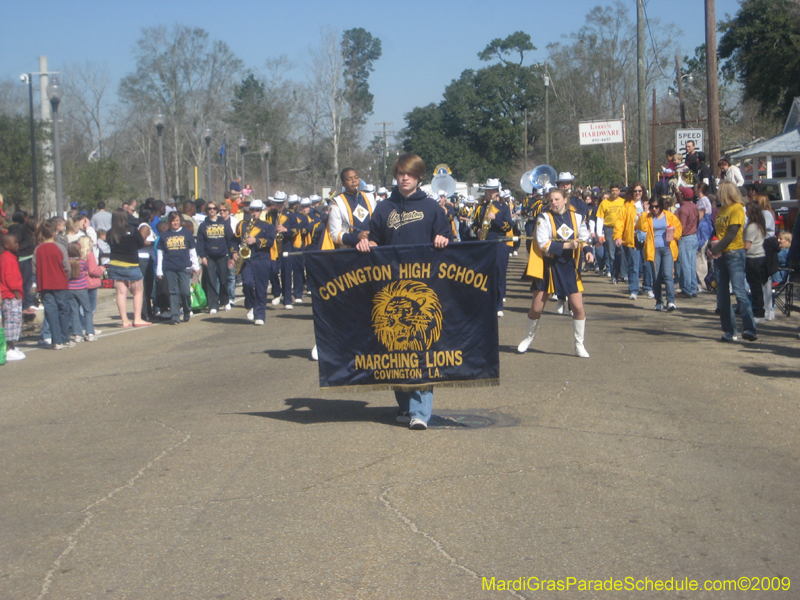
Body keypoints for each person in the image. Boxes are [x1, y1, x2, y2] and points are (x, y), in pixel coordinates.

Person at [356, 153, 451, 430]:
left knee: (422, 348)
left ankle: (421, 411)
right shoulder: (384, 208)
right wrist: (366, 244)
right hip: (390, 288)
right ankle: (405, 405)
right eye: (400, 173)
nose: (404, 177)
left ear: (419, 176)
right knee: (395, 350)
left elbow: (447, 239)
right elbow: (373, 239)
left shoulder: (433, 208)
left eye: (409, 173)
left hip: (424, 289)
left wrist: (443, 238)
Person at [518, 187, 595, 357]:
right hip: (548, 266)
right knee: (537, 308)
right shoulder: (544, 218)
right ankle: (528, 338)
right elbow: (542, 243)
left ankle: (579, 345)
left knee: (577, 307)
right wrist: (567, 245)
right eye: (551, 200)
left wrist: (588, 250)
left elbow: (584, 237)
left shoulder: (577, 217)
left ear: (565, 199)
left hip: (568, 266)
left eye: (557, 199)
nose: (553, 202)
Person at [707, 182, 758, 342]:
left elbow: (732, 234)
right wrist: (711, 246)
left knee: (739, 291)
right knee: (722, 294)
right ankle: (729, 330)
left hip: (734, 253)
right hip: (720, 254)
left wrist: (716, 249)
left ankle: (750, 329)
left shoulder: (737, 209)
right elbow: (717, 231)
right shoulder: (722, 210)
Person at [472, 178, 513, 316]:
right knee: (484, 273)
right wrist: (477, 230)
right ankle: (486, 302)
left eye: (493, 190)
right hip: (485, 243)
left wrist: (496, 218)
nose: (490, 193)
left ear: (497, 191)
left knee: (499, 273)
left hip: (500, 243)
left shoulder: (503, 207)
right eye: (488, 190)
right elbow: (474, 224)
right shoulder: (481, 208)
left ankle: (499, 304)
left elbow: (509, 226)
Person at [232, 199, 276, 326]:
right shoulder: (241, 225)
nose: (254, 212)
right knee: (247, 283)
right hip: (247, 260)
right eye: (252, 210)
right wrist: (234, 252)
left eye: (257, 210)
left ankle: (260, 315)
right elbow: (234, 241)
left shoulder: (267, 225)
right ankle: (250, 304)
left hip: (262, 259)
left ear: (261, 211)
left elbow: (270, 241)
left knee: (261, 288)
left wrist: (256, 241)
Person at [637, 196, 682, 312]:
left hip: (667, 248)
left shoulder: (669, 216)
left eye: (656, 206)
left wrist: (673, 232)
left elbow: (679, 230)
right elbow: (641, 227)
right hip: (654, 249)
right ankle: (659, 302)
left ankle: (670, 301)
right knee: (656, 276)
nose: (654, 209)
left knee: (668, 275)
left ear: (661, 206)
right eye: (652, 207)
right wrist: (645, 211)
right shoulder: (648, 217)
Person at [107, 208, 150, 328]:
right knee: (138, 291)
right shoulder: (132, 230)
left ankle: (125, 320)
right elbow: (140, 244)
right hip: (131, 263)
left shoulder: (110, 232)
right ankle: (137, 318)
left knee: (121, 293)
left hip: (115, 263)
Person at [156, 212, 201, 325]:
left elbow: (192, 251)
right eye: (172, 221)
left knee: (185, 291)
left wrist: (195, 266)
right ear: (169, 222)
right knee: (173, 292)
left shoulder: (186, 233)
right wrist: (159, 270)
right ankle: (175, 315)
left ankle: (186, 309)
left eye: (176, 220)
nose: (175, 223)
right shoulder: (165, 235)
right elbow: (160, 253)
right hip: (169, 267)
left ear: (180, 221)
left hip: (184, 266)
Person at [34, 221, 72, 349]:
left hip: (45, 284)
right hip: (60, 283)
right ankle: (65, 338)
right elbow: (67, 266)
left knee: (51, 312)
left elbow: (34, 268)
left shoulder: (37, 249)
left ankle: (56, 341)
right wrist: (66, 277)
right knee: (64, 310)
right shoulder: (59, 247)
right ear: (54, 233)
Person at [197, 200, 234, 313]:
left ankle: (225, 300)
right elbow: (200, 242)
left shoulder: (224, 224)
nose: (211, 210)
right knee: (211, 280)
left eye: (213, 208)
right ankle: (213, 304)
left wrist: (232, 255)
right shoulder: (203, 225)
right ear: (206, 211)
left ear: (217, 210)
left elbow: (230, 240)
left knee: (223, 279)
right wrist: (203, 256)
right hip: (210, 257)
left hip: (223, 255)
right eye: (209, 208)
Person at [613, 182, 648, 300]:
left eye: (640, 191)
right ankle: (634, 290)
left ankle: (648, 288)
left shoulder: (648, 205)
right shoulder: (627, 205)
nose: (638, 193)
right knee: (634, 265)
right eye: (635, 191)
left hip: (647, 237)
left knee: (648, 264)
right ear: (631, 192)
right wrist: (618, 236)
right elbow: (620, 222)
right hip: (632, 237)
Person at [328, 168, 376, 248]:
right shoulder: (336, 202)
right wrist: (357, 237)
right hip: (349, 251)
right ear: (343, 184)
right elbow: (334, 234)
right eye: (349, 179)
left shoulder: (370, 197)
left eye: (356, 178)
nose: (354, 181)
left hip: (370, 247)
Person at [0, 233, 26, 360]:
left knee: (15, 321)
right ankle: (9, 348)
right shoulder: (7, 258)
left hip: (12, 294)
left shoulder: (10, 257)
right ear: (6, 245)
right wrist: (17, 294)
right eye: (14, 242)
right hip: (10, 295)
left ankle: (12, 346)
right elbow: (10, 278)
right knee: (11, 321)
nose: (17, 244)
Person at [743, 201, 769, 323]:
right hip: (760, 258)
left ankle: (759, 312)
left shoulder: (752, 227)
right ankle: (761, 310)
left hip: (754, 258)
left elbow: (746, 245)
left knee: (755, 286)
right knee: (758, 286)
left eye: (747, 210)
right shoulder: (760, 225)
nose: (746, 212)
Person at [595, 184, 625, 283]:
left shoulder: (624, 202)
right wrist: (599, 234)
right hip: (609, 229)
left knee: (622, 252)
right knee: (611, 254)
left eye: (616, 190)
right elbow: (600, 219)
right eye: (612, 190)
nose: (614, 192)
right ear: (610, 191)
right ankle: (613, 275)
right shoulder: (604, 203)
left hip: (622, 230)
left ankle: (624, 274)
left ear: (619, 191)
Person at [67, 242, 95, 343]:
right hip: (82, 288)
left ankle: (77, 335)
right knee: (87, 310)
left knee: (74, 312)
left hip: (70, 289)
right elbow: (86, 271)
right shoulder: (82, 262)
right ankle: (90, 333)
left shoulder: (67, 263)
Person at [675, 186, 699, 298]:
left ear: (683, 196)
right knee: (692, 265)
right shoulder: (694, 206)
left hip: (685, 238)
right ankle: (693, 288)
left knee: (685, 265)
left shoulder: (683, 210)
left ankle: (687, 289)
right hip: (694, 236)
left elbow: (682, 226)